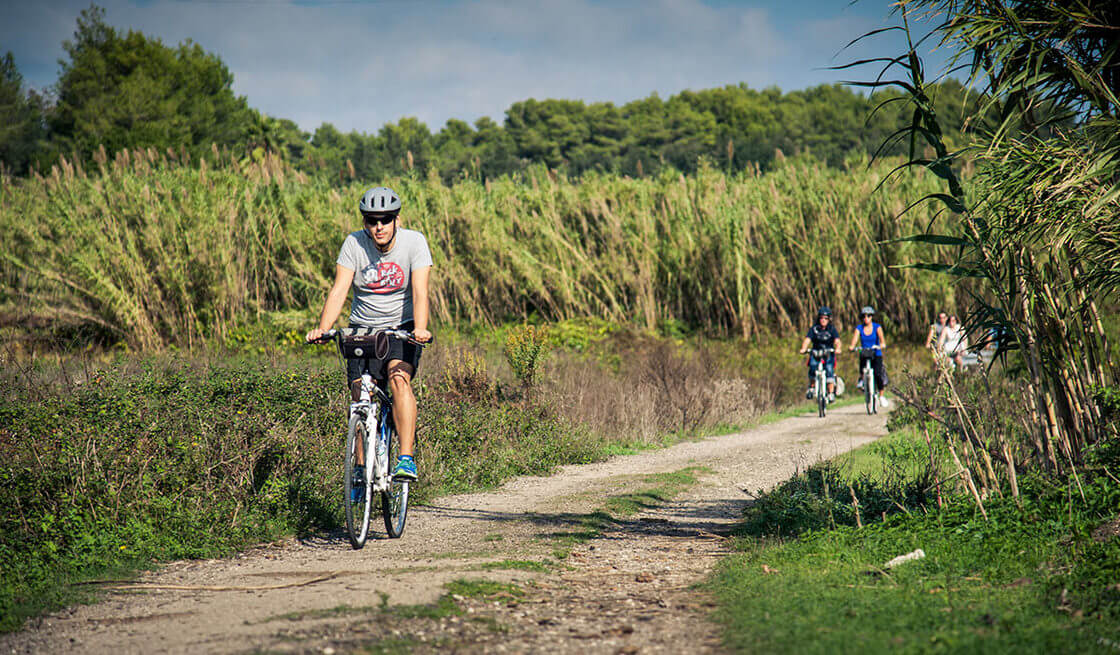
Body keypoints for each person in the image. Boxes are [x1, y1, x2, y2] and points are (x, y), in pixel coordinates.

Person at [306, 186, 433, 482]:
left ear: (396, 220)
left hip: (401, 329)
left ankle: (405, 458)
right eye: (372, 220)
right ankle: (361, 470)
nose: (378, 227)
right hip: (363, 329)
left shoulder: (414, 242)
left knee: (399, 379)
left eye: (385, 220)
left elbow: (420, 291)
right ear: (364, 222)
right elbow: (339, 290)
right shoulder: (353, 243)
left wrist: (420, 328)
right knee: (360, 396)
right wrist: (324, 329)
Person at [848, 306, 890, 408]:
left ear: (872, 317)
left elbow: (882, 341)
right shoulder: (859, 328)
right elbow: (854, 340)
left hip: (876, 354)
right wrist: (852, 346)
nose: (866, 318)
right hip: (865, 353)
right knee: (862, 370)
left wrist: (882, 345)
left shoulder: (877, 327)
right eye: (864, 316)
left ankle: (881, 395)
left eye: (869, 316)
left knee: (878, 374)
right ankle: (863, 382)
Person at [799, 306, 841, 402]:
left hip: (828, 353)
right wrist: (803, 348)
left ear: (829, 319)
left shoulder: (832, 329)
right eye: (821, 318)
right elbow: (807, 339)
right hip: (816, 353)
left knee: (829, 370)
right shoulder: (814, 329)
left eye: (825, 318)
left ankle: (830, 393)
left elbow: (837, 341)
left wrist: (838, 348)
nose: (823, 320)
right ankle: (812, 387)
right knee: (813, 366)